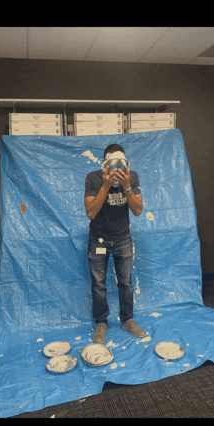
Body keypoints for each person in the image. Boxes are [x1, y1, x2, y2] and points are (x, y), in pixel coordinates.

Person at [84, 143, 146, 344]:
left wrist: (126, 185)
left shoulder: (132, 177)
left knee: (126, 283)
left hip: (123, 239)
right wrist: (105, 184)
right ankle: (101, 322)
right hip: (98, 239)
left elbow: (137, 210)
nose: (117, 170)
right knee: (99, 285)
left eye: (121, 164)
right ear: (104, 165)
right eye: (112, 165)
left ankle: (127, 320)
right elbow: (91, 212)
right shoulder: (93, 178)